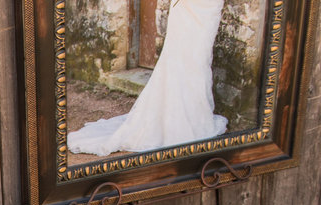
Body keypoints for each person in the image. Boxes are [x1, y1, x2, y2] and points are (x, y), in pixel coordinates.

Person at [68, 0, 227, 156]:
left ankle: (196, 115)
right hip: (187, 7)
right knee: (180, 58)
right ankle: (175, 120)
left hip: (209, 7)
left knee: (200, 59)